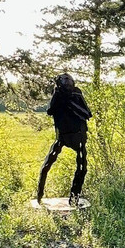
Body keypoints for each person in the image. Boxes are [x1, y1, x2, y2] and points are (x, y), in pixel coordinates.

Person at [37, 73, 92, 205]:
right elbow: (51, 110)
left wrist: (70, 103)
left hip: (78, 136)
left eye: (69, 80)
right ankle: (39, 195)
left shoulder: (77, 94)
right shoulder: (57, 94)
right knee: (47, 164)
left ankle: (74, 198)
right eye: (64, 80)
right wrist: (61, 98)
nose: (67, 82)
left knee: (82, 167)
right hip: (62, 136)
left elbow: (87, 113)